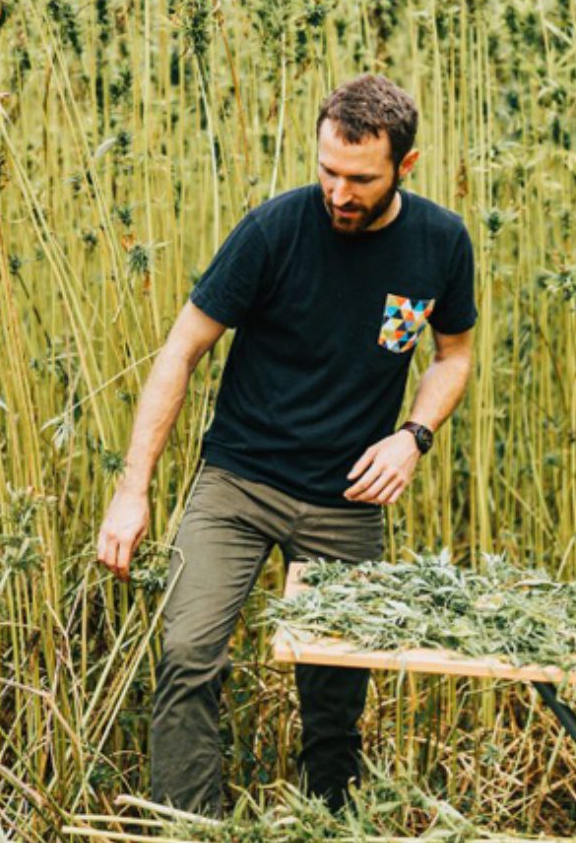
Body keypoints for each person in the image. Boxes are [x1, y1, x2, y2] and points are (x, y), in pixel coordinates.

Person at [95, 74, 477, 817]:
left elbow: (453, 355)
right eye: (327, 170)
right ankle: (189, 829)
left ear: (407, 165)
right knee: (188, 659)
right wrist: (132, 487)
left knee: (334, 700)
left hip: (347, 501)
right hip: (237, 484)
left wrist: (413, 437)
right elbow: (180, 352)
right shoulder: (272, 229)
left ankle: (325, 825)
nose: (338, 191)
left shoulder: (440, 242)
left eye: (359, 179)